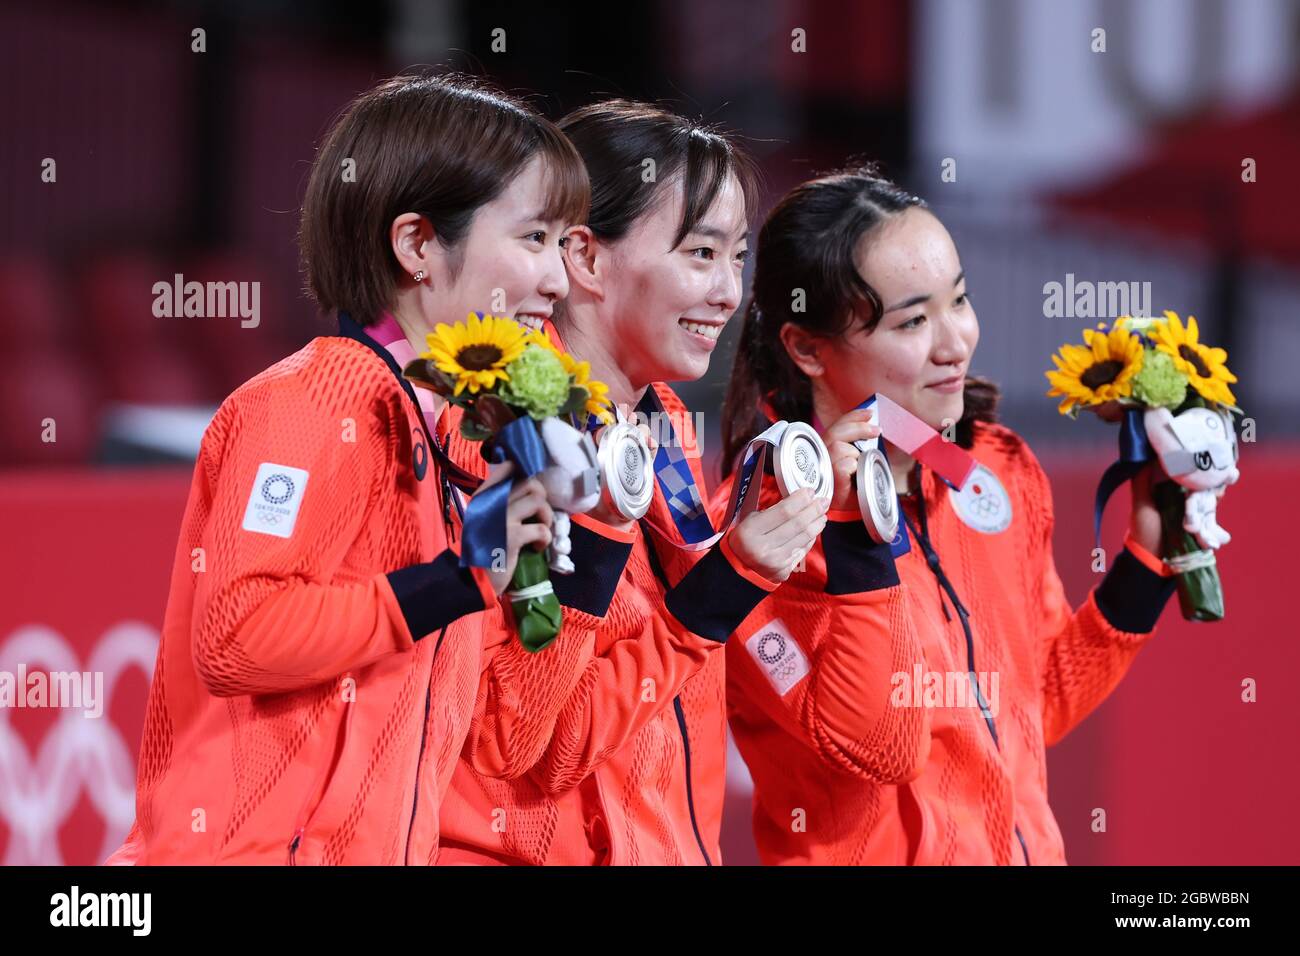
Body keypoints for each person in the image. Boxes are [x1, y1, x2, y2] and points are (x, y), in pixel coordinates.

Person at [106, 72, 611, 865]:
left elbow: (506, 734)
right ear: (416, 245)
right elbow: (236, 637)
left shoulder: (448, 425)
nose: (558, 280)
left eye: (563, 243)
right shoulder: (313, 398)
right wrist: (459, 579)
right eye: (534, 238)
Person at [716, 166, 1179, 865]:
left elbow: (1035, 703)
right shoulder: (763, 533)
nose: (954, 342)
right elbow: (879, 746)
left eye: (958, 301)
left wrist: (1147, 559)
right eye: (911, 322)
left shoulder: (995, 473)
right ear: (807, 348)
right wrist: (855, 531)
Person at [435, 101, 827, 865]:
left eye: (736, 256)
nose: (727, 291)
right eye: (701, 253)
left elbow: (691, 667)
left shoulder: (661, 423)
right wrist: (720, 585)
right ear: (584, 258)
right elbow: (526, 741)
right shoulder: (501, 432)